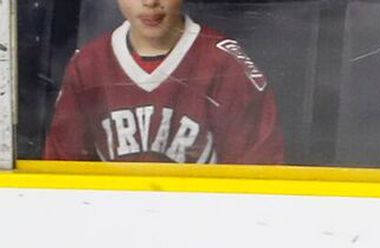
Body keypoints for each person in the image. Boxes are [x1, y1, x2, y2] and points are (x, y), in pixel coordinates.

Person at [44, 0, 284, 164]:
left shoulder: (226, 67)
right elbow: (59, 171)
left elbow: (260, 176)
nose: (149, 1)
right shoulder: (88, 64)